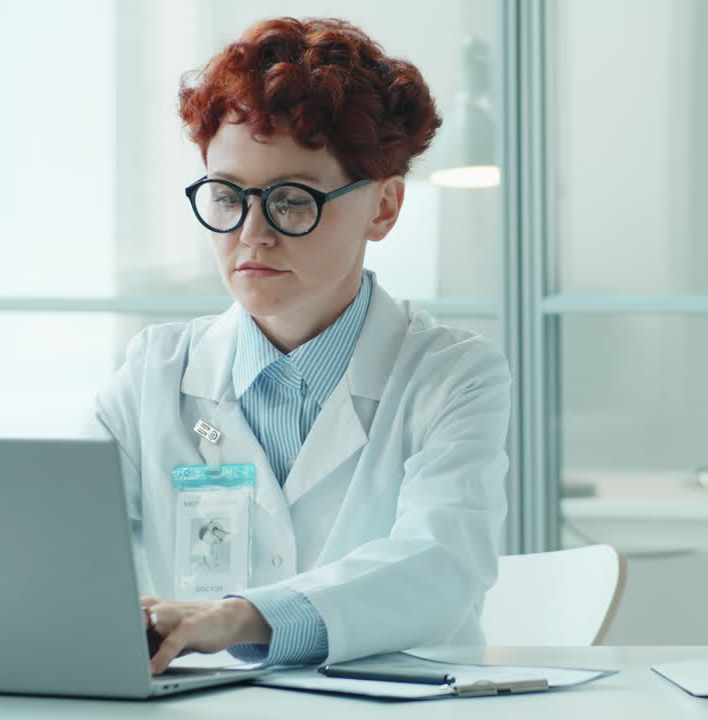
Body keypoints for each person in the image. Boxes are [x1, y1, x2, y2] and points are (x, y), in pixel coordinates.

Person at [87, 17, 511, 675]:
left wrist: (238, 617)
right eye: (227, 197)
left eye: (291, 201)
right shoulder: (156, 374)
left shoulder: (451, 377)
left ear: (384, 208)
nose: (252, 234)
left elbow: (440, 564)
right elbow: (51, 548)